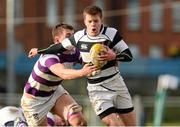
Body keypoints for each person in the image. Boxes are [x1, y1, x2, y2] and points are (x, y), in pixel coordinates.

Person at [28, 5, 136, 126]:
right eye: (90, 21)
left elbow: (129, 55)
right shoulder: (79, 37)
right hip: (97, 88)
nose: (93, 24)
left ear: (101, 20)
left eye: (96, 21)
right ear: (85, 22)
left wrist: (114, 56)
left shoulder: (112, 33)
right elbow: (59, 46)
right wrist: (39, 50)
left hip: (116, 83)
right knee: (114, 123)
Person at [21, 23, 97, 126]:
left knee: (79, 121)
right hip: (34, 102)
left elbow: (89, 60)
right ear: (57, 41)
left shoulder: (74, 52)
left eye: (73, 36)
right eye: (68, 36)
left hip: (54, 92)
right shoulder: (49, 56)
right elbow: (63, 73)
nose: (72, 40)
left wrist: (106, 57)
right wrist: (82, 72)